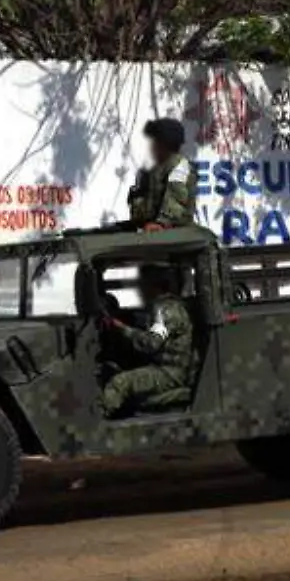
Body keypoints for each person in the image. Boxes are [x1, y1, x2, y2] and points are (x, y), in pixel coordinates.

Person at [99, 264, 196, 418]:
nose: (140, 289)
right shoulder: (162, 307)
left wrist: (122, 328)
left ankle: (97, 426)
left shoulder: (166, 311)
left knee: (119, 383)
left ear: (154, 286)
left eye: (142, 284)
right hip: (163, 367)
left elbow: (151, 343)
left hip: (169, 373)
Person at [127, 118, 196, 231]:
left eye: (154, 141)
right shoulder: (155, 169)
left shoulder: (179, 166)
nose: (151, 146)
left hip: (174, 232)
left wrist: (162, 223)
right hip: (154, 228)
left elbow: (176, 199)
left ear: (164, 144)